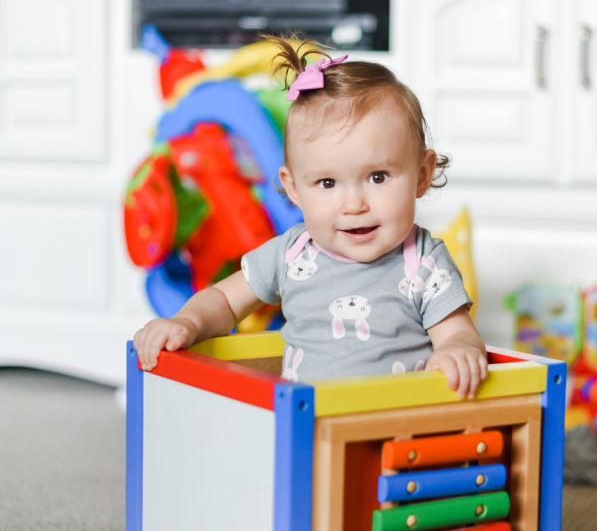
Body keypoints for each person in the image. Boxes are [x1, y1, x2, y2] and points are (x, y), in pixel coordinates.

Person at [134, 37, 488, 399]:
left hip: (393, 432)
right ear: (293, 189)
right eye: (327, 182)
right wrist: (186, 322)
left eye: (378, 177)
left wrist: (457, 350)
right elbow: (224, 301)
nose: (353, 204)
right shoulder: (291, 253)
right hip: (306, 429)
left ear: (422, 174)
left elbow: (457, 332)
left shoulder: (424, 261)